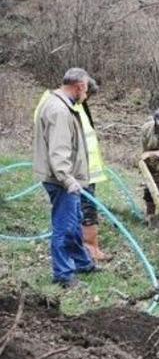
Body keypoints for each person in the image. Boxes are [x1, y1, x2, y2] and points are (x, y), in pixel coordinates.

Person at [32, 68, 97, 288]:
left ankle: (82, 263)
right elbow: (59, 152)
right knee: (65, 226)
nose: (85, 95)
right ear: (79, 86)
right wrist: (68, 180)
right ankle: (63, 274)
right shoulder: (59, 110)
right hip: (61, 181)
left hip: (65, 179)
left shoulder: (57, 104)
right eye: (86, 89)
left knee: (73, 221)